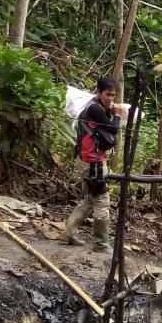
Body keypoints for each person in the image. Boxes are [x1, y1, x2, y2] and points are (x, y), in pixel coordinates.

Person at [61, 77, 121, 252]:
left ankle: (68, 233)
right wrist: (117, 114)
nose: (110, 98)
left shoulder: (93, 106)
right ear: (99, 92)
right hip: (94, 161)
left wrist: (111, 111)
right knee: (102, 201)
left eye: (113, 95)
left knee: (90, 199)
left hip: (87, 160)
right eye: (108, 94)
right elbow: (113, 129)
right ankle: (101, 244)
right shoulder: (95, 108)